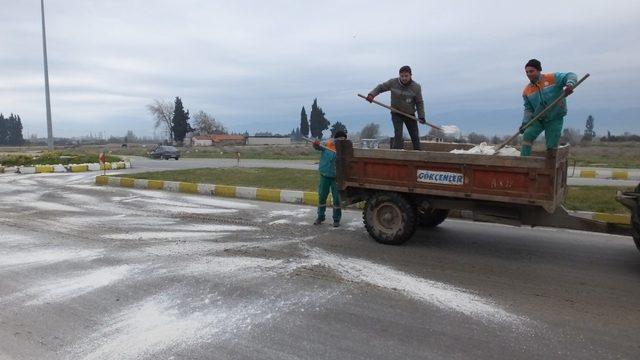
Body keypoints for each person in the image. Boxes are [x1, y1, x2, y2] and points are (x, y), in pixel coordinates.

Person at [520, 59, 577, 156]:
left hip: (555, 117)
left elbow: (571, 75)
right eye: (527, 72)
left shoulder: (552, 78)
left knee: (551, 145)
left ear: (539, 70)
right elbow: (528, 109)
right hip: (538, 118)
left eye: (531, 71)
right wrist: (525, 123)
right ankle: (524, 161)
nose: (529, 74)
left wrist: (570, 85)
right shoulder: (527, 91)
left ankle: (550, 165)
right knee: (527, 135)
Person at [366, 65, 426, 150]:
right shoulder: (393, 82)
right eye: (402, 76)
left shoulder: (416, 87)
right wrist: (371, 94)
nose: (404, 78)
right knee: (398, 134)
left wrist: (421, 116)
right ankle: (396, 153)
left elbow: (419, 102)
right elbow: (381, 87)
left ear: (410, 75)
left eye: (406, 76)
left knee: (414, 135)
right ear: (399, 75)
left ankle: (418, 153)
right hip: (396, 112)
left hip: (410, 114)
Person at [312, 130, 347, 227]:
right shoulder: (327, 144)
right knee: (322, 196)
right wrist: (315, 144)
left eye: (343, 140)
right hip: (325, 175)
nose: (341, 141)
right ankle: (320, 216)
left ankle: (336, 219)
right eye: (339, 139)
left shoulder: (345, 149)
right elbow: (318, 147)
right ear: (335, 139)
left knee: (336, 199)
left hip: (337, 177)